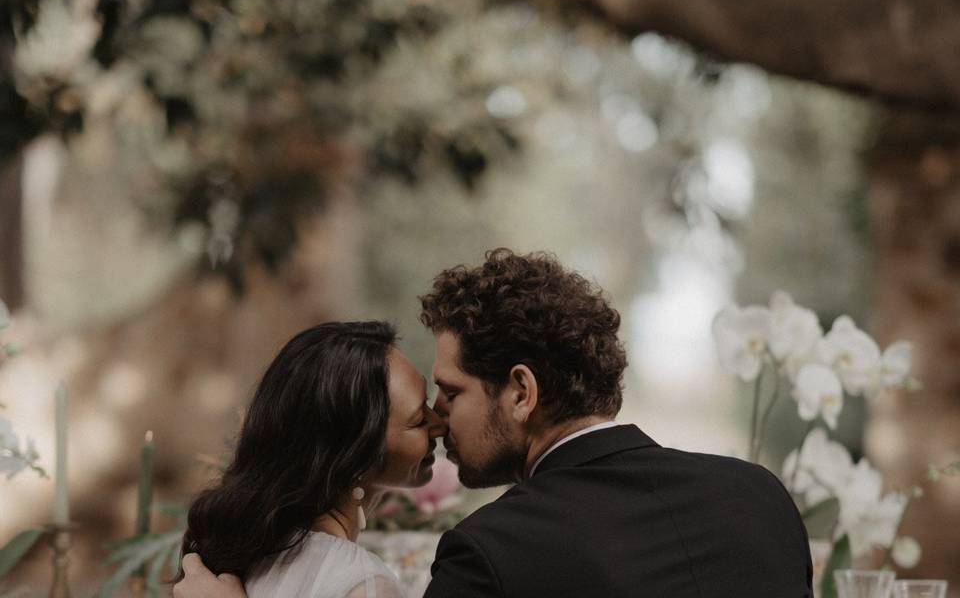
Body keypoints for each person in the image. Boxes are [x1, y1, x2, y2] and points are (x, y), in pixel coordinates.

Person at [176, 249, 813, 598]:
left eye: (451, 392)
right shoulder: (759, 498)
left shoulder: (491, 555)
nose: (439, 417)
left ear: (520, 391)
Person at [178, 321, 445, 597]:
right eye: (418, 420)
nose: (439, 423)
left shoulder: (249, 554)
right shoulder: (363, 584)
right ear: (356, 457)